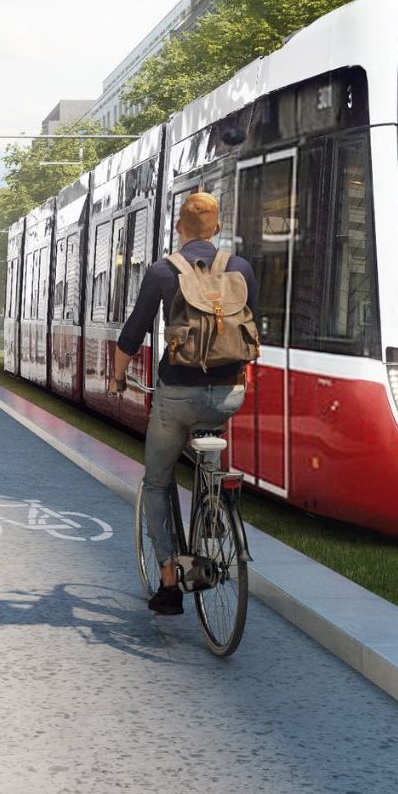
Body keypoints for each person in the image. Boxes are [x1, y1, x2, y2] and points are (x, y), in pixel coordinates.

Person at [111, 191, 255, 617]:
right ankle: (212, 513)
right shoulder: (241, 268)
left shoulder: (162, 270)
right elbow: (249, 331)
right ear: (216, 227)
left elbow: (133, 333)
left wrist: (118, 378)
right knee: (210, 445)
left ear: (179, 228)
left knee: (157, 481)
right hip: (229, 393)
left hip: (176, 394)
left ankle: (170, 581)